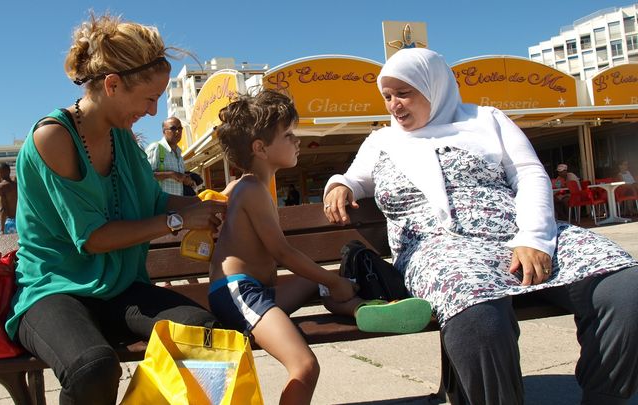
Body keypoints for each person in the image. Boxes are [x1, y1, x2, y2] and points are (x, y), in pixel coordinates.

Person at [323, 48, 638, 405]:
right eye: (388, 96)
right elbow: (355, 178)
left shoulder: (486, 119)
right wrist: (340, 185)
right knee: (478, 315)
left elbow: (530, 174)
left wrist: (534, 238)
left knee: (625, 286)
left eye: (404, 93)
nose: (394, 105)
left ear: (435, 87)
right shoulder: (382, 141)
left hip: (519, 235)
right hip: (441, 247)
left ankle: (605, 396)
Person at [6, 13, 226, 405]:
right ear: (112, 85)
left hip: (118, 288)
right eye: (149, 98)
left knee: (205, 336)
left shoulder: (120, 136)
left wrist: (210, 204)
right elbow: (92, 239)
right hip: (52, 291)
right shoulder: (53, 136)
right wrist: (176, 219)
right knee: (93, 368)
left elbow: (152, 201)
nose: (155, 112)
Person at [210, 90, 431, 405]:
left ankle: (361, 309)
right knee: (305, 365)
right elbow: (282, 253)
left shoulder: (247, 186)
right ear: (260, 148)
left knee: (317, 281)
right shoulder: (252, 190)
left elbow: (220, 203)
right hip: (238, 294)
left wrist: (328, 281)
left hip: (256, 290)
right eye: (288, 136)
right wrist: (333, 280)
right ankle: (353, 300)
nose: (296, 141)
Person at [145, 117, 194, 195]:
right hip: (160, 204)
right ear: (164, 132)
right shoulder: (156, 147)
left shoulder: (179, 153)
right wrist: (171, 174)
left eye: (180, 128)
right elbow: (145, 175)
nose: (178, 131)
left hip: (177, 204)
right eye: (173, 128)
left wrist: (185, 179)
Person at [0, 163, 18, 234]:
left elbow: (3, 209)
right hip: (20, 221)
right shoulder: (17, 185)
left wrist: (2, 229)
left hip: (8, 224)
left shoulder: (0, 188)